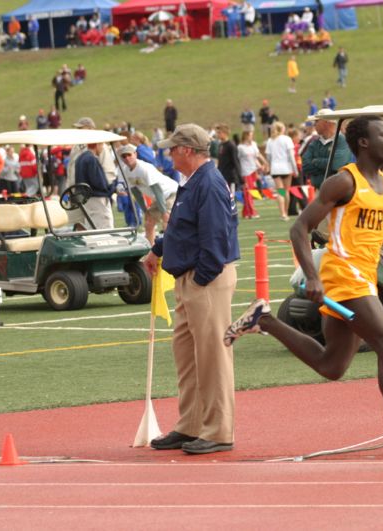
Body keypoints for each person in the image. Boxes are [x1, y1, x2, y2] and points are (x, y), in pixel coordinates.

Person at [224, 115, 383, 467]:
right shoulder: (343, 182)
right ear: (363, 143)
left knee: (332, 365)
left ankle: (264, 320)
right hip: (343, 274)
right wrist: (312, 277)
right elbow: (300, 228)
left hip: (363, 277)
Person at [143, 124, 240, 455]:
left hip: (205, 279)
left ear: (187, 150)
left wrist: (200, 279)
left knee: (212, 357)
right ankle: (191, 424)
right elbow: (184, 228)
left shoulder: (208, 183)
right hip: (190, 278)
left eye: (172, 149)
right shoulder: (195, 181)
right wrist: (158, 249)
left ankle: (218, 430)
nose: (168, 154)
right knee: (188, 357)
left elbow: (216, 236)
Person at [116, 144, 178, 241]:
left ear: (135, 154)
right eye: (124, 156)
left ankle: (170, 252)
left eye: (129, 155)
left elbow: (157, 190)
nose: (127, 158)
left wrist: (164, 212)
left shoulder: (144, 168)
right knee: (149, 222)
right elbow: (136, 193)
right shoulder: (126, 171)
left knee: (167, 221)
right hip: (159, 197)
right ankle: (151, 251)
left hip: (170, 192)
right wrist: (145, 211)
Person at [301, 115, 352, 190]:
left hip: (337, 191)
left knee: (282, 187)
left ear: (326, 122)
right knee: (283, 187)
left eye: (317, 121)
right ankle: (282, 199)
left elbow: (336, 165)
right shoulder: (315, 142)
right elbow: (305, 166)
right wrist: (327, 164)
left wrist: (315, 161)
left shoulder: (342, 141)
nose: (314, 124)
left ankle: (282, 199)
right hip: (319, 190)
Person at [74, 142, 114, 229]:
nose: (102, 148)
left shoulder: (80, 158)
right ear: (97, 145)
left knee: (91, 227)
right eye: (101, 145)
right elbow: (99, 182)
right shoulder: (91, 159)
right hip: (97, 198)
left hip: (86, 199)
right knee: (104, 228)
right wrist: (112, 187)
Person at [266, 121, 298, 220]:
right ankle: (286, 211)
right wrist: (295, 169)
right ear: (282, 129)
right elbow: (291, 156)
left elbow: (268, 156)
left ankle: (283, 213)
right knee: (286, 191)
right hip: (286, 168)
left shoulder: (270, 141)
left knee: (280, 191)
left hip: (275, 169)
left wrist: (270, 166)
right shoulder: (287, 139)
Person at [237, 131, 267, 219]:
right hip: (245, 171)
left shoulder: (254, 144)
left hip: (253, 171)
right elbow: (237, 160)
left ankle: (246, 212)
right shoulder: (240, 147)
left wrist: (262, 164)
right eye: (250, 135)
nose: (252, 137)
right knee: (248, 192)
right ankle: (251, 212)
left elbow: (256, 157)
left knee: (251, 191)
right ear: (245, 136)